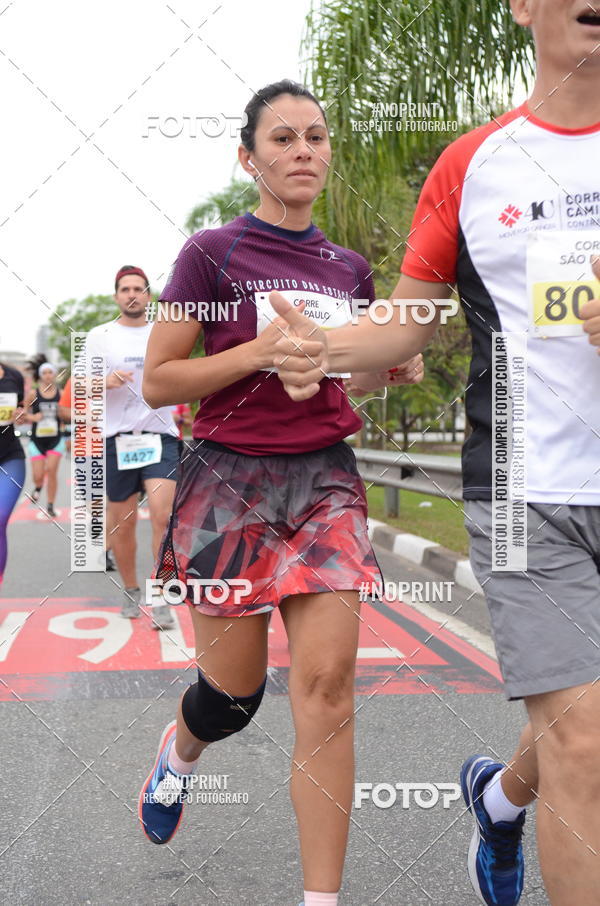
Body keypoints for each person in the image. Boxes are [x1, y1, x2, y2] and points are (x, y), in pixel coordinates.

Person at [272, 4, 600, 904]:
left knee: (586, 727)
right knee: (584, 744)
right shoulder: (472, 164)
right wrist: (322, 350)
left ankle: (498, 799)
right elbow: (404, 324)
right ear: (523, 6)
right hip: (529, 486)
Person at [139, 79, 422, 906]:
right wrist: (257, 351)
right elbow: (161, 381)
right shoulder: (210, 254)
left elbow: (357, 368)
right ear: (249, 158)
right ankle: (183, 749)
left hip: (325, 479)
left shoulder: (348, 268)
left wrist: (385, 365)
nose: (304, 151)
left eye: (316, 137)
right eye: (284, 139)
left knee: (330, 687)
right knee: (232, 697)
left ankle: (320, 899)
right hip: (228, 479)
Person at [86, 266, 179, 629]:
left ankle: (161, 598)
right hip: (117, 441)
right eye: (125, 289)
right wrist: (104, 381)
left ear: (148, 295)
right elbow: (81, 387)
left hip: (159, 436)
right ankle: (130, 590)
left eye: (138, 289)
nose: (132, 294)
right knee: (123, 526)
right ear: (116, 296)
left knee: (162, 514)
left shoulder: (164, 333)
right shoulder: (99, 336)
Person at [58, 377, 116, 572]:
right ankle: (98, 527)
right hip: (87, 448)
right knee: (96, 503)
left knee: (113, 502)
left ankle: (105, 550)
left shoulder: (123, 374)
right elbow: (63, 411)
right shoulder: (78, 378)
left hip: (118, 446)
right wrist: (87, 416)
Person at [24, 362, 65, 519]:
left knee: (52, 471)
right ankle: (38, 486)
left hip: (56, 439)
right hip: (37, 440)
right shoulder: (33, 394)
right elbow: (22, 414)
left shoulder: (60, 394)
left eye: (50, 372)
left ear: (54, 375)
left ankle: (50, 506)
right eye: (45, 372)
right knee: (38, 475)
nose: (48, 375)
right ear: (41, 376)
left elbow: (66, 414)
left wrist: (63, 418)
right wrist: (32, 417)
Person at [0, 362, 27, 590]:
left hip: (9, 456)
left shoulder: (13, 375)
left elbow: (22, 409)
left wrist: (21, 414)